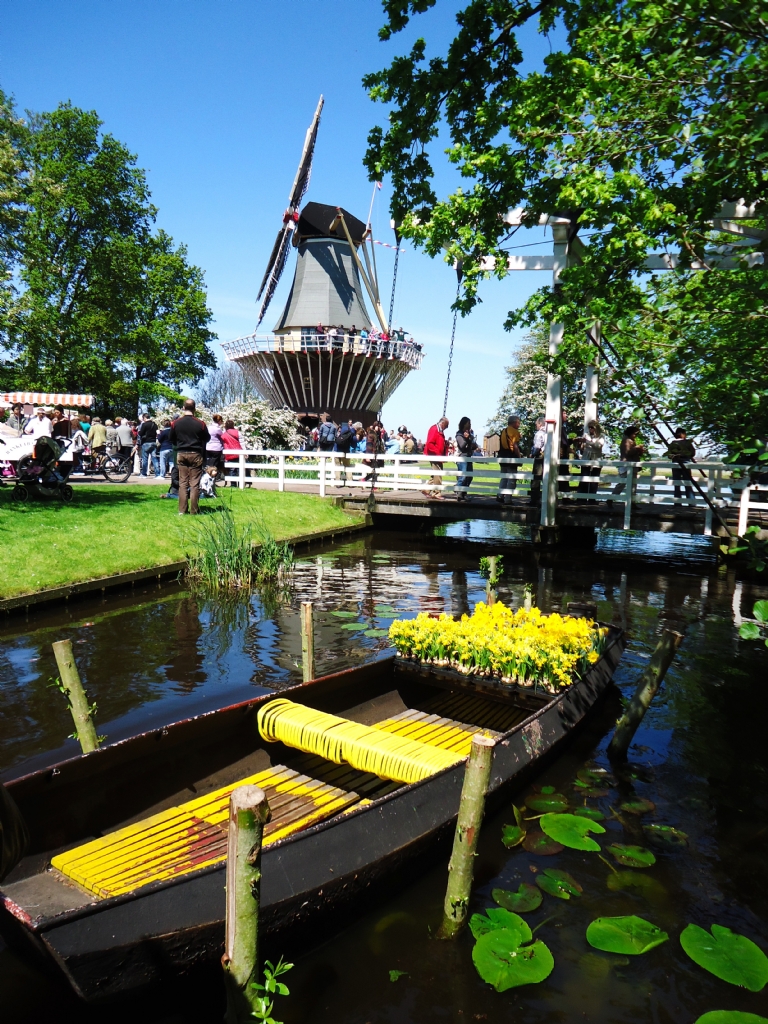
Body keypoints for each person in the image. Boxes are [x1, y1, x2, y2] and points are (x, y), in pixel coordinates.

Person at [170, 399, 210, 515]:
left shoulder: (176, 423)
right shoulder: (200, 423)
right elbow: (207, 438)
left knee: (183, 483)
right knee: (194, 483)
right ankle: (194, 510)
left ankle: (182, 510)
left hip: (181, 453)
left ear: (183, 408)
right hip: (195, 453)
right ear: (194, 409)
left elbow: (171, 438)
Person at [613, 424, 645, 494]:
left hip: (633, 465)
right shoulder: (626, 441)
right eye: (634, 434)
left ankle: (632, 502)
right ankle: (611, 499)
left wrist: (640, 451)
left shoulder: (632, 441)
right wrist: (636, 448)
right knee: (622, 483)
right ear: (630, 433)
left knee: (633, 484)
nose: (635, 436)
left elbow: (635, 454)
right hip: (626, 465)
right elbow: (627, 452)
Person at [496, 415, 521, 504]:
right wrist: (519, 457)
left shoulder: (503, 431)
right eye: (518, 422)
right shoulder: (515, 432)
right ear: (514, 422)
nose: (519, 425)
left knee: (504, 477)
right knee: (512, 478)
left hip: (503, 455)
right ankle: (508, 498)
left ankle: (500, 495)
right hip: (511, 456)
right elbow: (515, 446)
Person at [575, 420, 604, 497]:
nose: (590, 429)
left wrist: (587, 441)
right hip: (586, 459)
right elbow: (582, 449)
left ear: (596, 428)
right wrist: (579, 443)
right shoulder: (586, 435)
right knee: (584, 480)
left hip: (596, 459)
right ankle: (581, 499)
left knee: (594, 481)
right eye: (589, 427)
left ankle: (592, 499)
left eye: (592, 427)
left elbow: (598, 446)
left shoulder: (601, 436)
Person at [455, 416, 480, 502]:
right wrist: (467, 439)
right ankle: (458, 491)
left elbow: (473, 446)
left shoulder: (470, 434)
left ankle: (463, 493)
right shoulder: (459, 434)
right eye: (468, 423)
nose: (470, 425)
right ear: (464, 424)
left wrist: (472, 443)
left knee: (469, 477)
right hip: (462, 457)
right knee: (463, 476)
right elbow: (462, 446)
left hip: (468, 457)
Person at [667, 427, 696, 502]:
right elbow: (693, 453)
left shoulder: (673, 443)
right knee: (688, 483)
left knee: (677, 483)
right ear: (682, 434)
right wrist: (686, 455)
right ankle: (691, 501)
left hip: (675, 464)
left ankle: (677, 502)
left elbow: (669, 455)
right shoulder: (687, 442)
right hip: (686, 462)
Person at [423, 417, 449, 500]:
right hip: (434, 455)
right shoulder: (434, 429)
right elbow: (430, 443)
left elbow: (438, 442)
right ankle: (436, 493)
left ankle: (426, 490)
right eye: (446, 426)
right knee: (438, 474)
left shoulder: (439, 431)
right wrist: (437, 454)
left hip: (437, 455)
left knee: (436, 474)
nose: (446, 428)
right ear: (443, 424)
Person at [529, 415, 547, 502]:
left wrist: (532, 454)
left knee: (536, 477)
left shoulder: (539, 434)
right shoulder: (549, 433)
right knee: (546, 477)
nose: (536, 425)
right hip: (547, 456)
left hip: (540, 456)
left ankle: (534, 499)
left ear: (540, 424)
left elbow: (537, 446)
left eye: (536, 424)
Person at [206, 413, 225, 477]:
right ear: (219, 421)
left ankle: (208, 476)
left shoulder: (209, 427)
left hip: (208, 447)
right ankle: (212, 477)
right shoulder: (217, 429)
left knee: (209, 464)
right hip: (216, 448)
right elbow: (223, 436)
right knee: (214, 465)